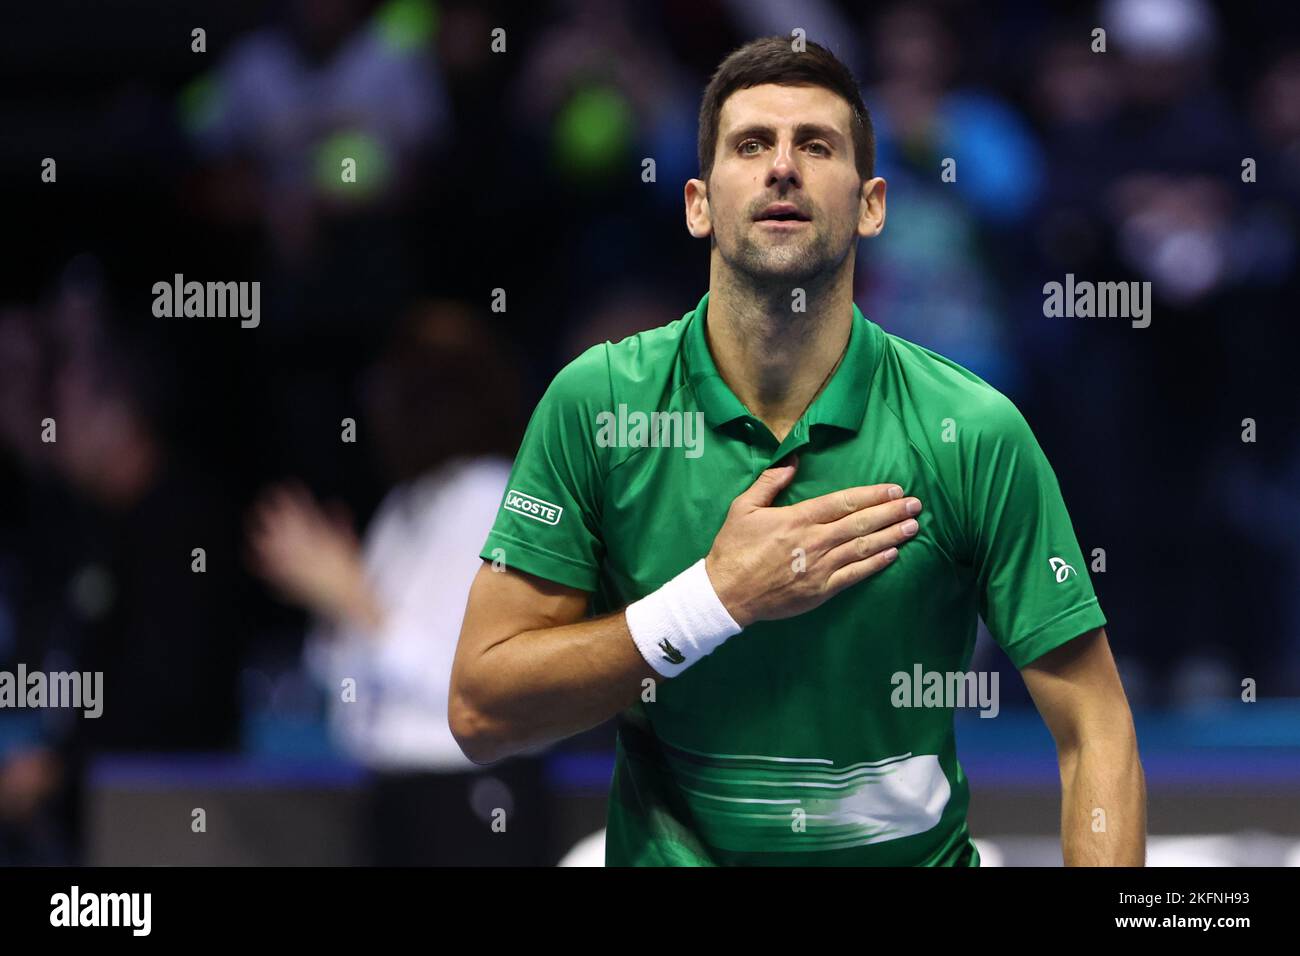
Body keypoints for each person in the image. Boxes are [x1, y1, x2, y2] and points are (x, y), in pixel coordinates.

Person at [450, 38, 1145, 867]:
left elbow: (1095, 727)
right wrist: (714, 600)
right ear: (699, 204)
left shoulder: (975, 430)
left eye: (816, 145)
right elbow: (483, 714)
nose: (783, 167)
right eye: (752, 145)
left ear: (871, 205)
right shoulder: (598, 406)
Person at [248, 302, 552, 865]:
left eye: (394, 388)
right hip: (394, 794)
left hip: (474, 804)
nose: (375, 405)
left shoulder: (494, 498)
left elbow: (479, 683)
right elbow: (349, 684)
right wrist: (335, 605)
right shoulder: (403, 506)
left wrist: (356, 602)